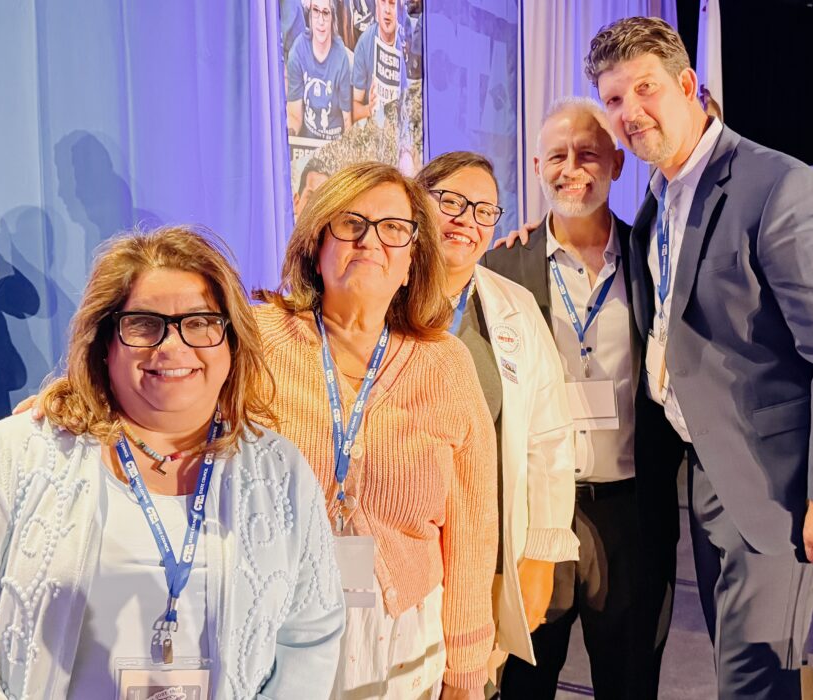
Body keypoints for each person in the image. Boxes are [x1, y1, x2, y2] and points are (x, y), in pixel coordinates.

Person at [0, 226, 345, 699]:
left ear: (232, 341)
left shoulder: (278, 471)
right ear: (104, 342)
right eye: (143, 324)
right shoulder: (23, 452)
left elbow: (311, 637)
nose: (173, 346)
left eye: (200, 321)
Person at [589, 17, 813, 698]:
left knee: (756, 675)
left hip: (777, 483)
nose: (629, 113)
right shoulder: (658, 199)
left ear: (688, 85)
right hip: (708, 468)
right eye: (612, 100)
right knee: (738, 668)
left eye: (644, 89)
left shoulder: (778, 186)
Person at [254, 161, 498, 698]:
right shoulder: (258, 341)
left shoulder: (446, 364)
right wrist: (75, 402)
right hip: (278, 630)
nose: (370, 241)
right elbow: (162, 386)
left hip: (405, 641)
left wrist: (466, 671)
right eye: (351, 223)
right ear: (318, 246)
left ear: (413, 262)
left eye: (393, 229)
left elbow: (472, 527)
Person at [483, 98, 684, 699]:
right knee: (523, 682)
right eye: (557, 156)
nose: (572, 168)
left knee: (629, 682)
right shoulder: (501, 268)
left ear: (617, 164)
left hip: (632, 513)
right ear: (538, 166)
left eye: (589, 154)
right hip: (532, 516)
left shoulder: (653, 261)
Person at [415, 152, 578, 687]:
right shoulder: (383, 297)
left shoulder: (514, 307)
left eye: (485, 210)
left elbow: (548, 438)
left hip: (483, 555)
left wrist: (539, 557)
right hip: (400, 547)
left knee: (473, 681)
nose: (468, 219)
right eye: (452, 202)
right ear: (416, 202)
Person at [287, 0, 353, 141]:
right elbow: (294, 114)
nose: (320, 21)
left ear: (333, 17)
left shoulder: (341, 57)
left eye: (325, 12)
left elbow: (347, 120)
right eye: (316, 11)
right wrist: (289, 136)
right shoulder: (298, 51)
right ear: (309, 14)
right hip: (307, 142)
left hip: (334, 142)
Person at [351, 0, 418, 125]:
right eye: (383, 2)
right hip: (373, 131)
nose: (387, 10)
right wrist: (368, 109)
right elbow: (353, 109)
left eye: (392, 3)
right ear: (376, 6)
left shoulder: (404, 33)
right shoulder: (364, 44)